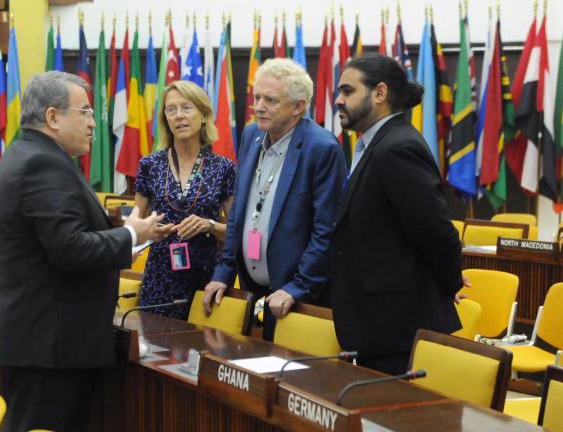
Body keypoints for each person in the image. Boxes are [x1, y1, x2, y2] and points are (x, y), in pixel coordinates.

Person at [0, 71, 169, 432]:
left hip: (39, 337)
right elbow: (70, 248)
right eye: (86, 112)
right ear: (52, 117)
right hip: (49, 343)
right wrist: (130, 234)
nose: (94, 123)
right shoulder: (41, 164)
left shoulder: (26, 153)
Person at [329, 53, 462, 375]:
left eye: (347, 91)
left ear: (379, 93)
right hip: (377, 324)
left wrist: (448, 282)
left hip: (399, 328)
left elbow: (435, 231)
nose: (337, 100)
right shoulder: (375, 145)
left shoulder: (397, 147)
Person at [203, 58, 346, 340]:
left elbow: (325, 230)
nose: (258, 107)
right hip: (252, 287)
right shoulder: (252, 134)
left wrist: (298, 286)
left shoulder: (322, 148)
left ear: (298, 106)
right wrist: (223, 271)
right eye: (256, 97)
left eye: (270, 100)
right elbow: (239, 214)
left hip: (297, 296)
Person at [134, 81, 235, 319]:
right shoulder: (150, 165)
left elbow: (236, 233)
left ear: (203, 115)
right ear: (165, 119)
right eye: (171, 109)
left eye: (186, 107)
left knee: (202, 350)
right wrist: (150, 230)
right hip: (160, 276)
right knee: (157, 351)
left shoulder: (223, 167)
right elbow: (134, 226)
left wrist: (209, 225)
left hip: (206, 278)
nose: (179, 115)